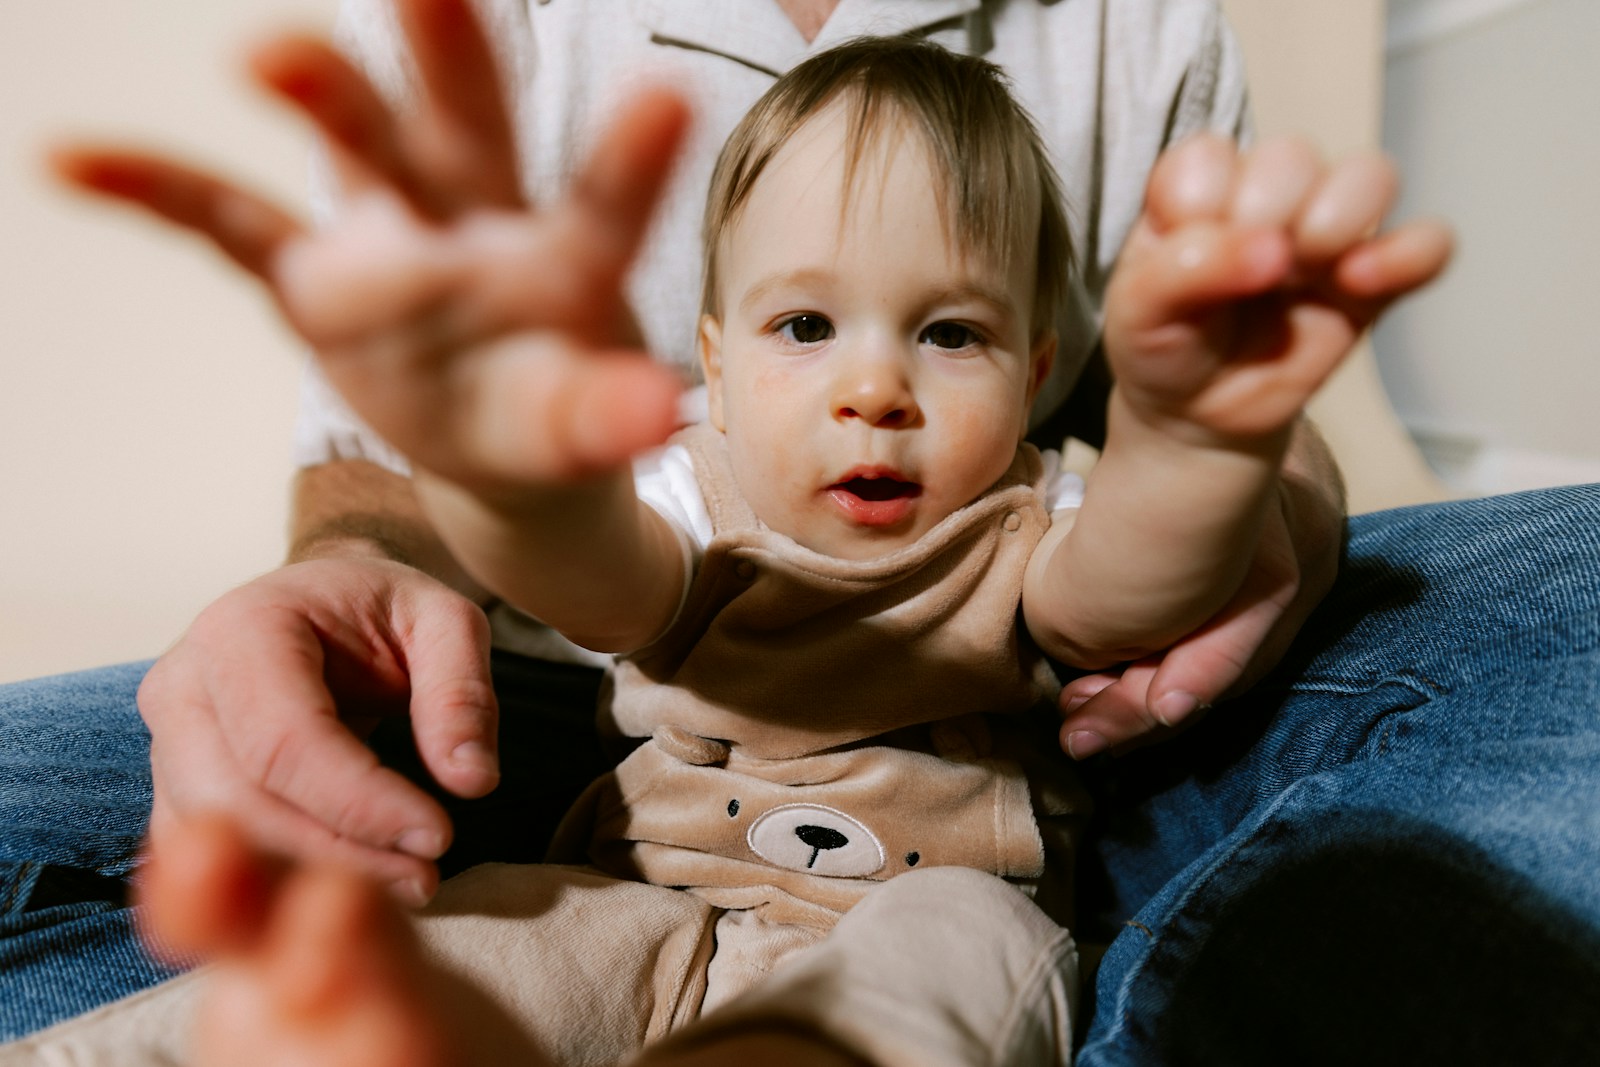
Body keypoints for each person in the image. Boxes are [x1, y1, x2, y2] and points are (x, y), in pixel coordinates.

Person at [3, 0, 1597, 1061]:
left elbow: (1128, 589)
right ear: (705, 364)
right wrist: (498, 466)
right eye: (803, 328)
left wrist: (1203, 434)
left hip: (945, 890)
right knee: (484, 953)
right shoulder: (697, 492)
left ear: (1045, 367)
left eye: (952, 337)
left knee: (961, 963)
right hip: (636, 886)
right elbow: (593, 578)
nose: (875, 393)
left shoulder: (1018, 507)